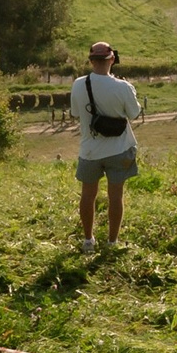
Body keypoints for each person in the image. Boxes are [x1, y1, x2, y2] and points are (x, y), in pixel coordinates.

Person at [71, 41, 141, 250]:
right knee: (116, 196)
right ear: (112, 59)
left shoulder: (78, 84)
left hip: (89, 150)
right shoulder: (123, 87)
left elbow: (75, 113)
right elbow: (134, 114)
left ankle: (88, 240)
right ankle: (112, 242)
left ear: (91, 60)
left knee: (88, 195)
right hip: (119, 148)